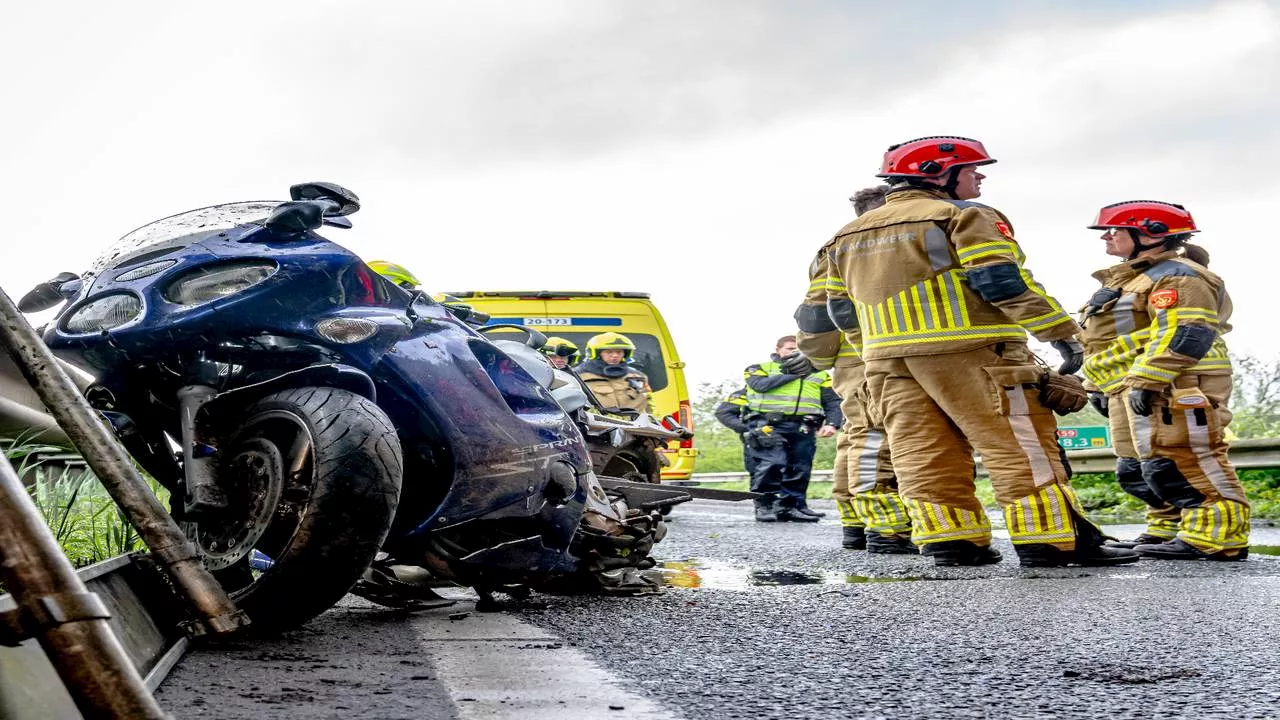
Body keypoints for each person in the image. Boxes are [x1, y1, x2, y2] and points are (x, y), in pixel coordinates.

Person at [824, 135, 1137, 567]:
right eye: (973, 169)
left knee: (922, 451)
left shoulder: (845, 235)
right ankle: (1052, 542)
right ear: (937, 173)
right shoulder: (961, 215)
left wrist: (873, 350)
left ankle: (953, 541)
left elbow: (838, 310)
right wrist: (1063, 334)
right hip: (975, 353)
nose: (981, 176)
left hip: (886, 363)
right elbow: (1001, 282)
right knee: (1018, 445)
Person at [1079, 200, 1248, 560]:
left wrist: (1148, 379)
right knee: (1138, 467)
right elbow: (1111, 339)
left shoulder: (1179, 276)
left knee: (1184, 459)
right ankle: (1165, 528)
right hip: (1131, 383)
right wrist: (1098, 383)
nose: (1107, 237)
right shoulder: (1131, 278)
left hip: (1177, 381)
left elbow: (1185, 333)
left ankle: (1217, 538)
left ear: (1150, 233)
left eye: (1115, 230)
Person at [790, 185, 914, 552]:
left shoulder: (836, 247)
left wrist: (820, 356)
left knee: (857, 435)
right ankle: (885, 526)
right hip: (867, 350)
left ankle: (857, 522)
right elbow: (818, 310)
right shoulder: (862, 246)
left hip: (855, 353)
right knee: (874, 435)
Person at [742, 336, 842, 523]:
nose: (795, 352)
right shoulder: (759, 368)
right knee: (772, 464)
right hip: (768, 425)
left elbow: (833, 401)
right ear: (778, 349)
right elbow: (761, 386)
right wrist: (795, 373)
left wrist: (832, 423)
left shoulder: (819, 374)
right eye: (790, 349)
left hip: (804, 425)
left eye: (799, 349)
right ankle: (765, 505)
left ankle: (790, 506)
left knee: (800, 467)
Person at [575, 332, 653, 414]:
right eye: (609, 352)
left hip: (636, 425)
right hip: (598, 425)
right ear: (597, 353)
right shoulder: (578, 375)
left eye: (619, 352)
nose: (615, 355)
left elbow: (650, 405)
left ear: (625, 354)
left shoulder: (638, 376)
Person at [713, 387, 759, 476]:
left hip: (790, 440)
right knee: (759, 476)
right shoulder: (745, 393)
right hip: (757, 442)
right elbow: (723, 413)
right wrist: (748, 428)